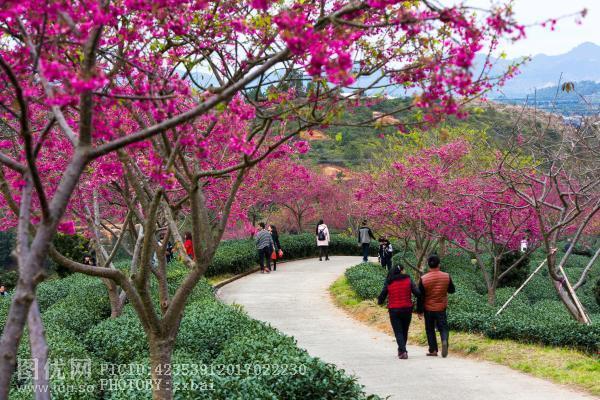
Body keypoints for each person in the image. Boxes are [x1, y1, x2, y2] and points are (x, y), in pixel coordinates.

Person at [378, 264, 420, 359]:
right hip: (407, 309)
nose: (405, 271)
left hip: (394, 310)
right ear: (401, 271)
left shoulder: (389, 281)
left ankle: (403, 351)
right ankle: (402, 350)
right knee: (404, 330)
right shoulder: (408, 280)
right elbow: (417, 293)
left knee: (398, 331)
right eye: (404, 270)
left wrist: (379, 301)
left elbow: (383, 294)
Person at [417, 254, 455, 358]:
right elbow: (452, 290)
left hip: (428, 308)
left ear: (428, 265)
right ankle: (444, 340)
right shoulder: (446, 276)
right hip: (441, 307)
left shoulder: (423, 278)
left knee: (429, 329)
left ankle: (433, 350)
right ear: (439, 264)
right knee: (443, 327)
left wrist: (419, 311)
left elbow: (420, 296)